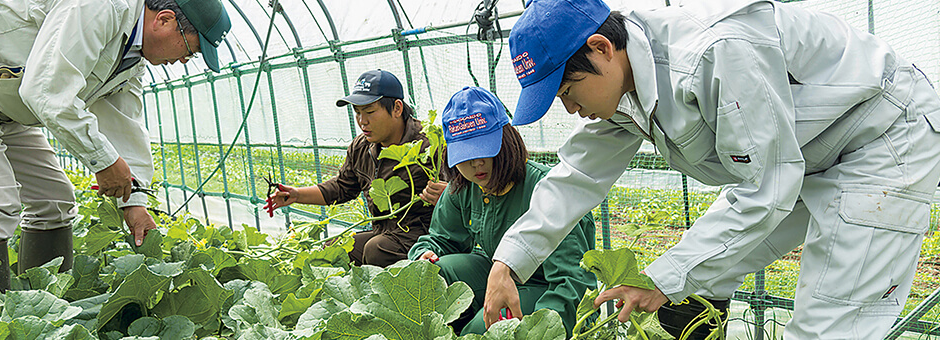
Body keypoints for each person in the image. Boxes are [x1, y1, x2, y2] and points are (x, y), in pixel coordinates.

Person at [483, 0, 940, 339]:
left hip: (881, 135)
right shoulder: (623, 84)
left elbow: (767, 189)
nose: (569, 108)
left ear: (601, 48)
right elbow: (577, 175)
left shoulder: (712, 53)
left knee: (829, 323)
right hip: (802, 153)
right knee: (703, 277)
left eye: (566, 90)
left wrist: (661, 279)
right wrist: (508, 263)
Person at [0, 0, 231, 291]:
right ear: (164, 20)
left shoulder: (133, 59)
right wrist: (105, 163)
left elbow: (125, 126)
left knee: (55, 203)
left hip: (10, 106)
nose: (185, 61)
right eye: (191, 50)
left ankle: (41, 311)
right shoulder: (102, 6)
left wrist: (134, 202)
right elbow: (46, 91)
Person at [407, 86, 596, 336]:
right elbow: (442, 239)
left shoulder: (550, 190)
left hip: (545, 287)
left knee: (480, 331)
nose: (476, 163)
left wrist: (550, 329)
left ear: (507, 141)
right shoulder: (462, 188)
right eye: (466, 155)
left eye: (485, 150)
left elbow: (571, 282)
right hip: (498, 275)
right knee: (436, 271)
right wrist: (425, 253)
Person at [265, 69, 447, 267]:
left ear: (397, 108)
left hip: (426, 239)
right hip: (385, 233)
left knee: (376, 250)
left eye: (369, 112)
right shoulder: (361, 147)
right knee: (334, 249)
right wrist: (297, 195)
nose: (362, 121)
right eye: (357, 112)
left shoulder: (431, 144)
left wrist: (448, 195)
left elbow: (467, 189)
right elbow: (342, 187)